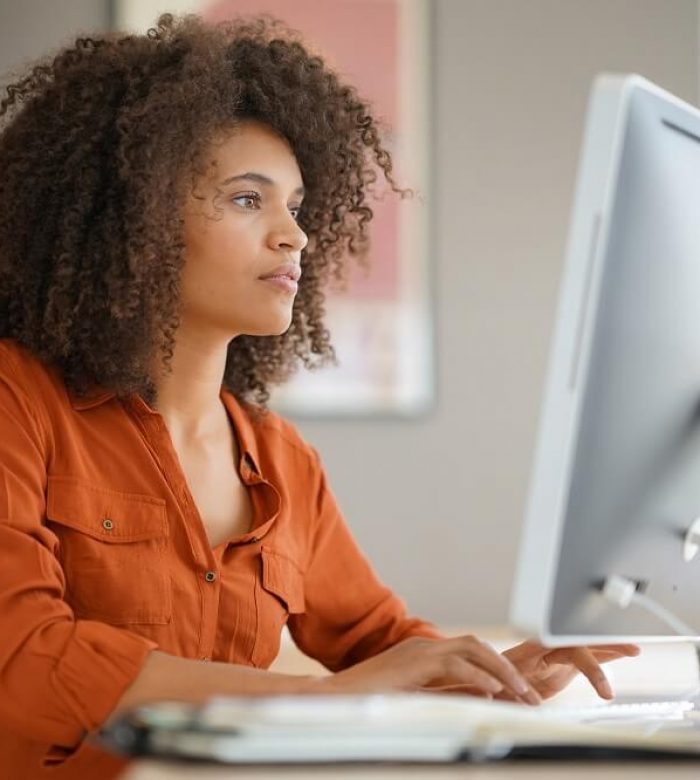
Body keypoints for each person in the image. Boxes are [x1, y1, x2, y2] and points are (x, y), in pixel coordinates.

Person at [0, 13, 638, 779]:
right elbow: (28, 663)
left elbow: (382, 642)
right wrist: (331, 698)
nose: (293, 237)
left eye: (297, 207)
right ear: (133, 215)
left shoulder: (280, 460)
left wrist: (496, 678)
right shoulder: (19, 402)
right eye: (247, 199)